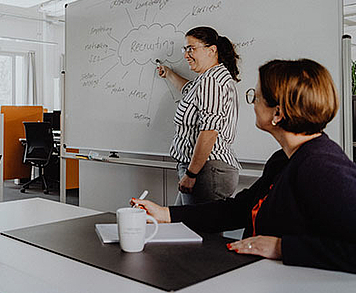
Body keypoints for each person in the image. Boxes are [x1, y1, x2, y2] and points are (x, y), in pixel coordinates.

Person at [133, 59, 356, 274]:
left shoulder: (322, 166)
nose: (252, 102)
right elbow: (239, 209)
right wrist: (165, 214)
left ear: (277, 113)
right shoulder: (283, 159)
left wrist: (281, 247)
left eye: (256, 96)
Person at [158, 26, 240, 205]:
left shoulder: (211, 81)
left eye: (191, 49)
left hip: (205, 172)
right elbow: (189, 91)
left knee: (196, 231)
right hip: (203, 170)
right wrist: (169, 74)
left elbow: (209, 132)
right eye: (185, 49)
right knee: (180, 226)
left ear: (212, 50)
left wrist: (191, 174)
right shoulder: (208, 79)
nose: (186, 55)